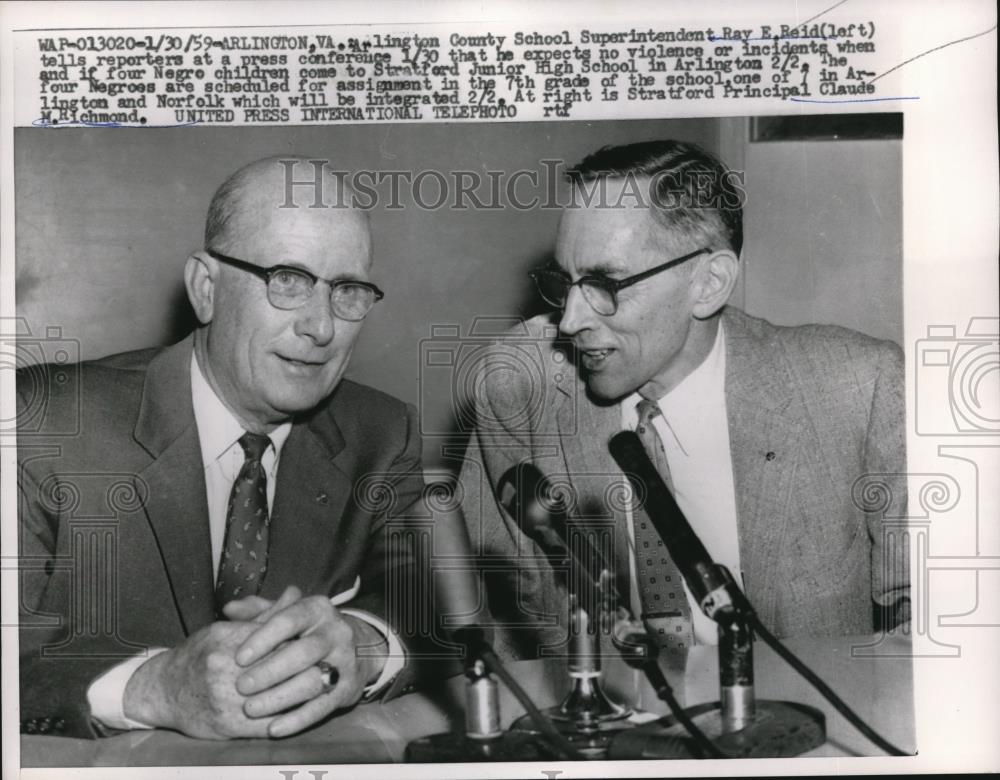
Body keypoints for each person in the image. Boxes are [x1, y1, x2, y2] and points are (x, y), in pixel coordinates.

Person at [17, 157, 426, 739]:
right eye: (288, 280)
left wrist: (363, 643)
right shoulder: (43, 423)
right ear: (206, 289)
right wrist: (152, 688)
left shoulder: (382, 433)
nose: (321, 327)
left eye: (348, 290)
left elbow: (432, 616)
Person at [458, 140, 909, 661]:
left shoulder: (856, 386)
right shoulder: (519, 382)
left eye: (604, 282)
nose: (570, 320)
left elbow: (928, 623)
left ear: (709, 283)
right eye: (565, 281)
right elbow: (497, 618)